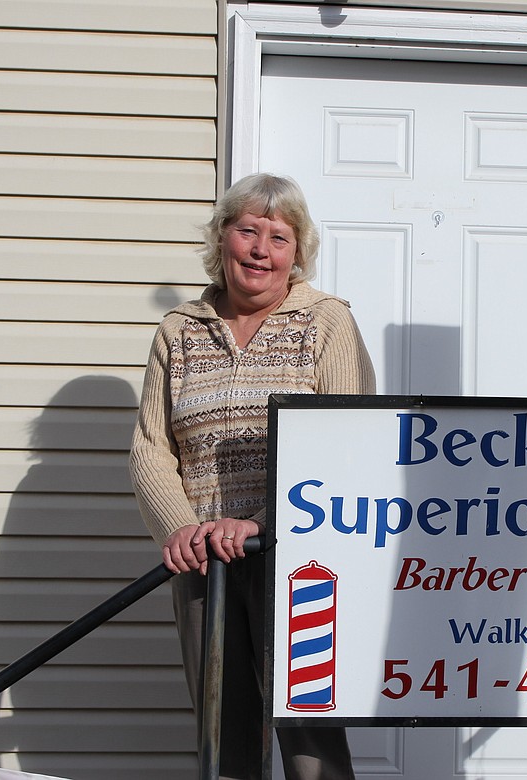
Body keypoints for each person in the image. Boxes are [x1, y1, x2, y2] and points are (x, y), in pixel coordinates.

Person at [129, 173, 375, 780]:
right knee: (223, 740)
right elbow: (150, 449)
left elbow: (342, 440)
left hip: (298, 561)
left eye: (279, 237)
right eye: (247, 231)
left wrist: (263, 521)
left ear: (298, 253)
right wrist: (183, 529)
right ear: (222, 240)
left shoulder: (326, 322)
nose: (261, 249)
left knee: (310, 739)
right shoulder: (179, 330)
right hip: (201, 565)